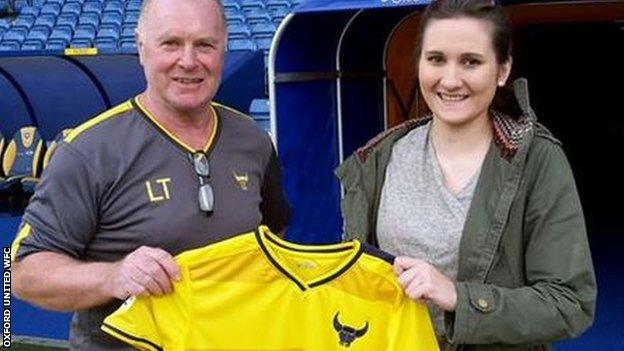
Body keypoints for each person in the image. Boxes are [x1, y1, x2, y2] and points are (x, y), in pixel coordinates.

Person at [11, 0, 290, 350]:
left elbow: (273, 234)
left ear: (223, 50)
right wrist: (113, 276)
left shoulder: (254, 141)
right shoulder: (88, 150)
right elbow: (22, 274)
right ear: (142, 49)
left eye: (205, 44)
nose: (188, 61)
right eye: (171, 43)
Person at [336, 0, 596, 349]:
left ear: (502, 70)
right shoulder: (379, 157)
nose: (450, 79)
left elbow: (570, 303)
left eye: (471, 62)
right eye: (436, 59)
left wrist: (459, 298)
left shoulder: (537, 161)